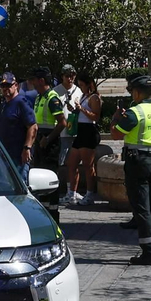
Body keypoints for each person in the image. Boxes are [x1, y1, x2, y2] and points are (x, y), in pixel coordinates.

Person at [111, 75, 151, 265]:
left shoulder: (135, 112)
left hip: (139, 162)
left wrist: (116, 118)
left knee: (141, 208)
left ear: (137, 92)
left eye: (131, 91)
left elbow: (116, 133)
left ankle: (149, 253)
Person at [63, 74, 102, 206]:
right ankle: (72, 193)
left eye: (82, 85)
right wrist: (74, 110)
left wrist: (82, 109)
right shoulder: (83, 96)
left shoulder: (94, 97)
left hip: (89, 132)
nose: (81, 87)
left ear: (89, 84)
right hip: (80, 131)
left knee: (88, 165)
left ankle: (90, 193)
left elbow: (95, 117)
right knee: (71, 163)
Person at [0, 73, 37, 185]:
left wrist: (27, 148)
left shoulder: (21, 102)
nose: (5, 89)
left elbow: (33, 126)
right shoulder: (5, 104)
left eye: (8, 85)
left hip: (19, 157)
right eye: (3, 86)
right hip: (6, 156)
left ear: (16, 85)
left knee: (19, 187)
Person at [29, 69, 67, 174]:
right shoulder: (38, 97)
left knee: (49, 174)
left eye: (34, 80)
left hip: (49, 143)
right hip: (39, 140)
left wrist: (48, 139)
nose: (33, 83)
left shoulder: (52, 98)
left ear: (41, 81)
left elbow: (62, 123)